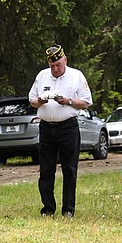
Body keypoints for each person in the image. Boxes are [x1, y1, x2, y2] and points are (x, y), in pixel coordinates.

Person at [28, 44, 93, 218]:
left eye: (59, 65)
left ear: (65, 60)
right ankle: (48, 208)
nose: (56, 69)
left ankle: (68, 209)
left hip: (68, 127)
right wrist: (40, 101)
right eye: (52, 66)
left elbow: (86, 102)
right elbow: (32, 100)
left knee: (69, 169)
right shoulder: (42, 76)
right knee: (46, 170)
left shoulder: (76, 76)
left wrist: (69, 101)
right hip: (46, 127)